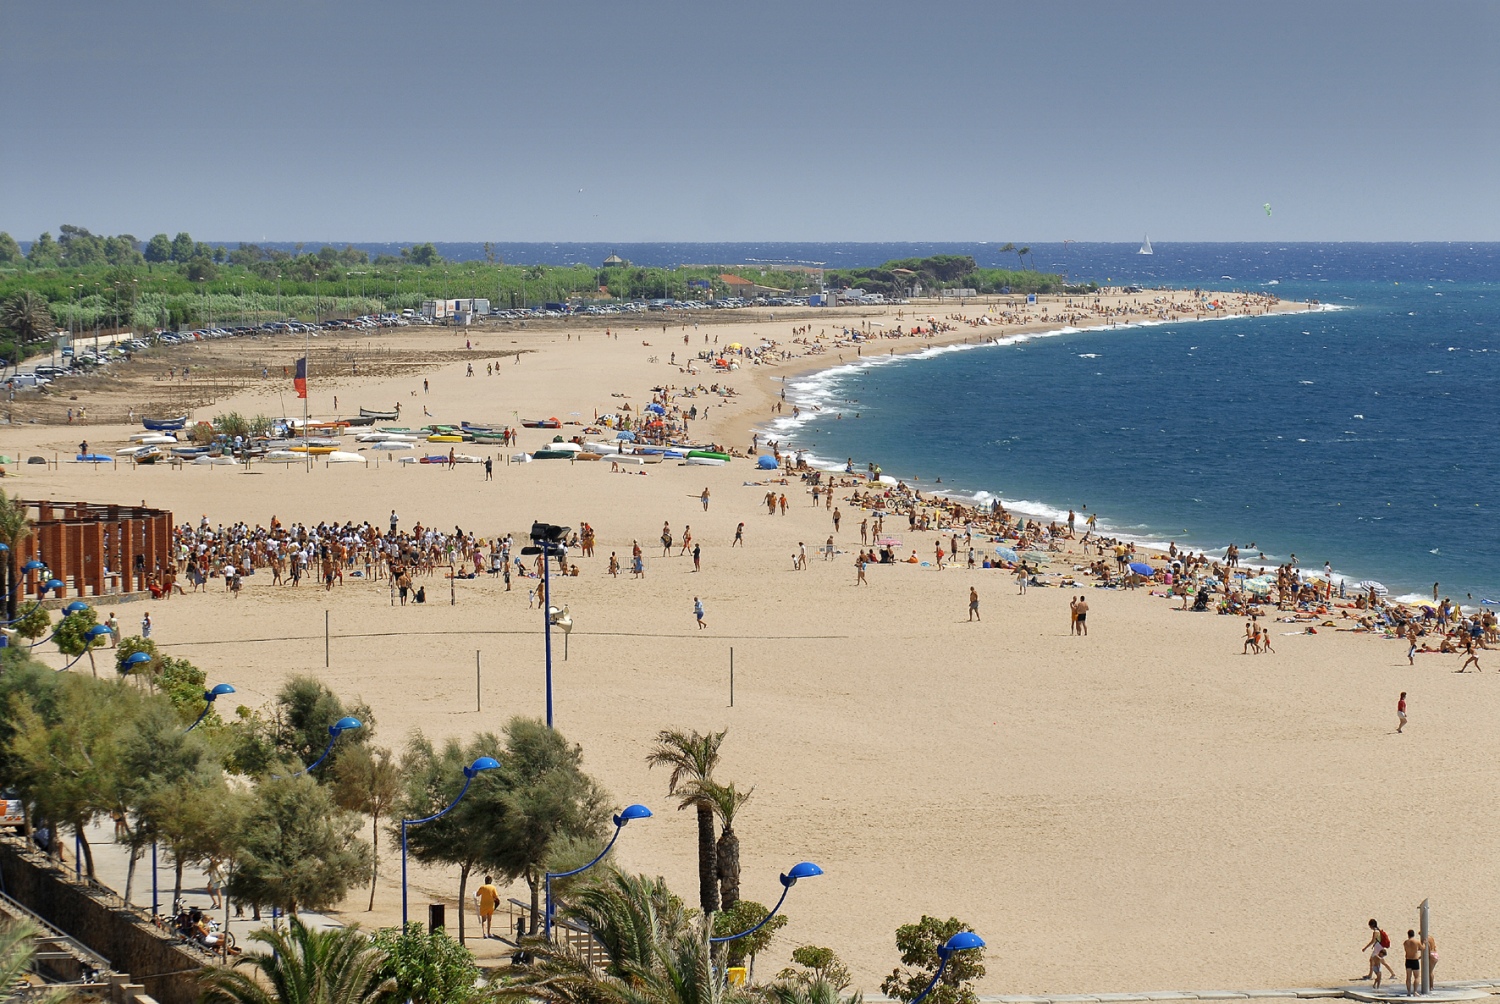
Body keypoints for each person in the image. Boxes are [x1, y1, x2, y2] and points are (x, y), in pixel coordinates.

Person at [1403, 930, 1422, 995]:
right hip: (1414, 960)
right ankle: (1415, 991)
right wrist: (1424, 943)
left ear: (1408, 935)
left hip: (1408, 960)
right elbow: (1422, 948)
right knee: (1417, 977)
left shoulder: (1405, 942)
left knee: (1408, 977)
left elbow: (1406, 949)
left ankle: (1408, 992)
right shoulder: (1416, 942)